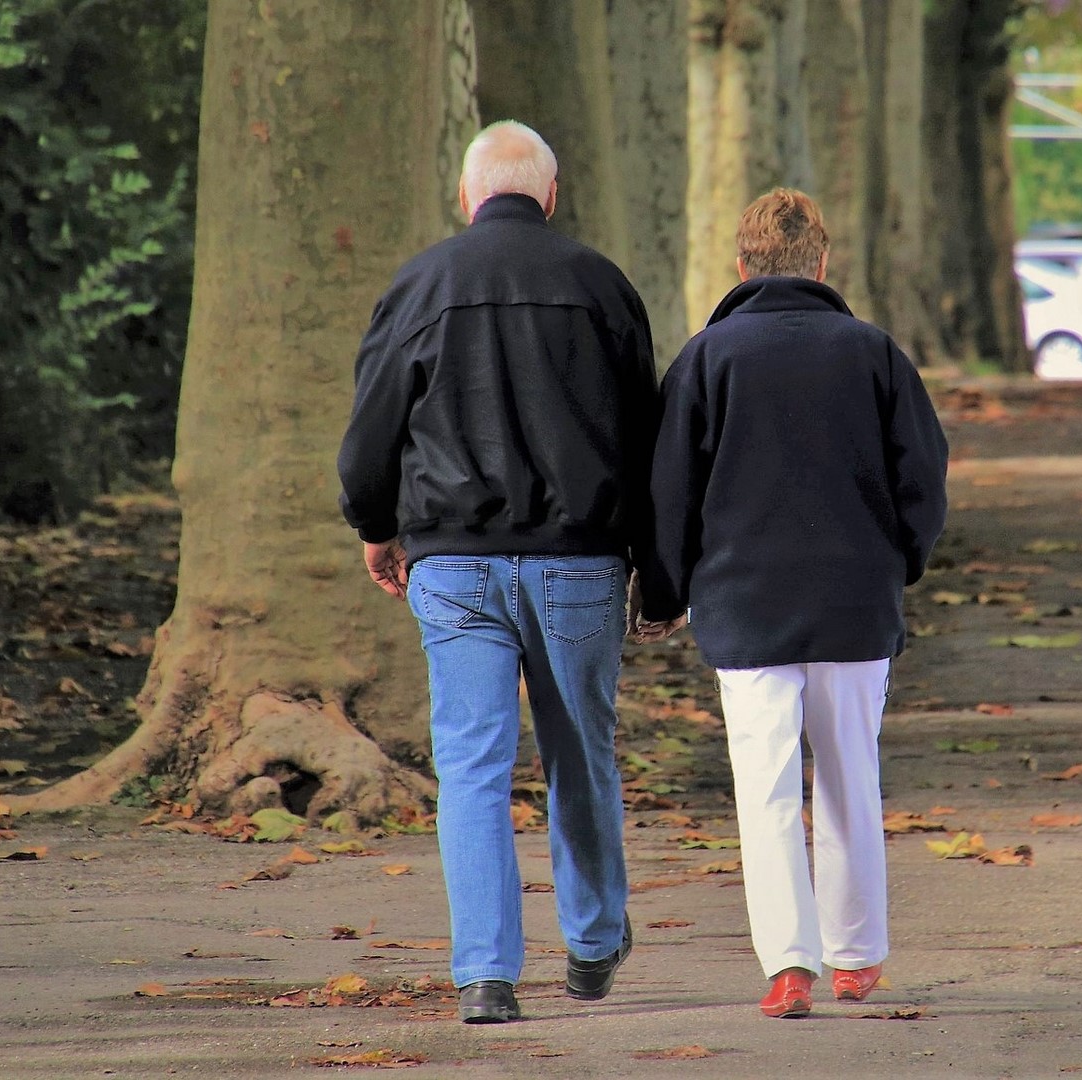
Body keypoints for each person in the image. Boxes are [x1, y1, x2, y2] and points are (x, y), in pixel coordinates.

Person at [338, 120, 661, 1024]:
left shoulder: (420, 284)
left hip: (454, 563)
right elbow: (648, 439)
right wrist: (654, 562)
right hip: (578, 564)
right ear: (550, 194)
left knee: (472, 767)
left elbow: (371, 431)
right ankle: (593, 942)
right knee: (579, 754)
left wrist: (376, 525)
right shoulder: (602, 286)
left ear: (467, 195)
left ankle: (485, 973)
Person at [637, 189, 948, 1018]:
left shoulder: (706, 359)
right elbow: (923, 475)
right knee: (851, 776)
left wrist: (663, 592)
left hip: (743, 605)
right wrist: (900, 563)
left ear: (740, 268)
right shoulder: (874, 353)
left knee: (764, 789)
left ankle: (788, 963)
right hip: (854, 599)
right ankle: (857, 955)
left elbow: (670, 492)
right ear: (822, 263)